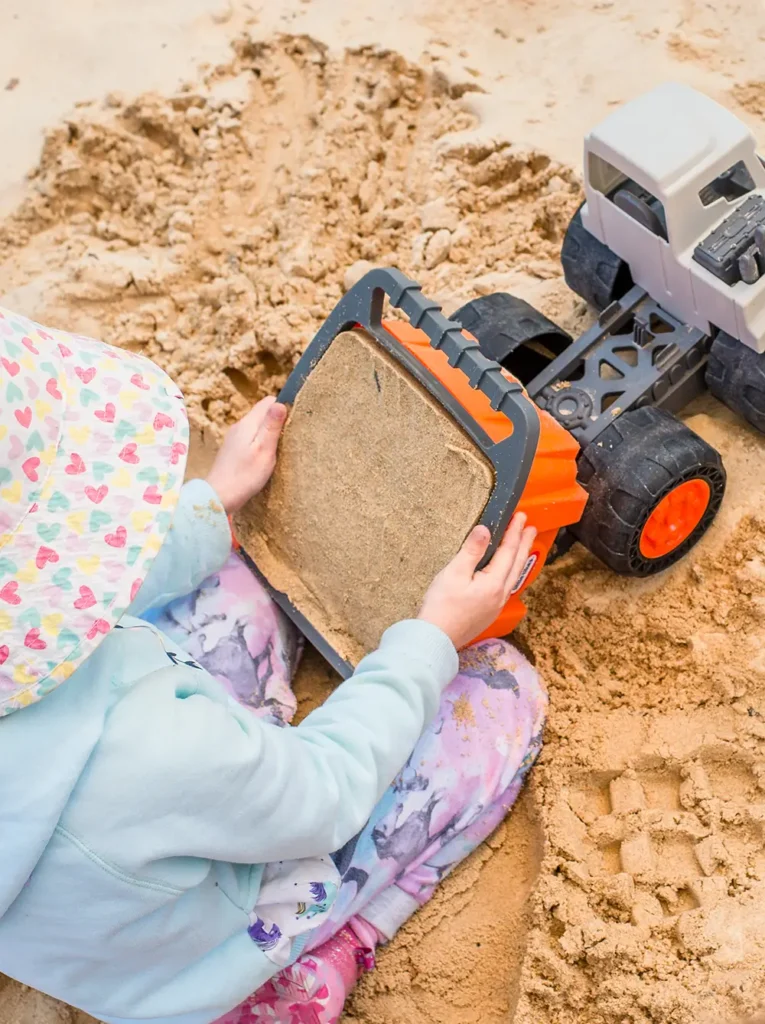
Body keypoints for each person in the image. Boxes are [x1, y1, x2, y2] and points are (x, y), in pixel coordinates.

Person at [0, 306, 546, 1024]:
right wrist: (430, 635)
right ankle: (323, 952)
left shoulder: (42, 625)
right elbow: (326, 792)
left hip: (97, 895)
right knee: (497, 692)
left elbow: (72, 578)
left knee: (235, 566)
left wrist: (211, 506)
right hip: (207, 936)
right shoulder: (157, 753)